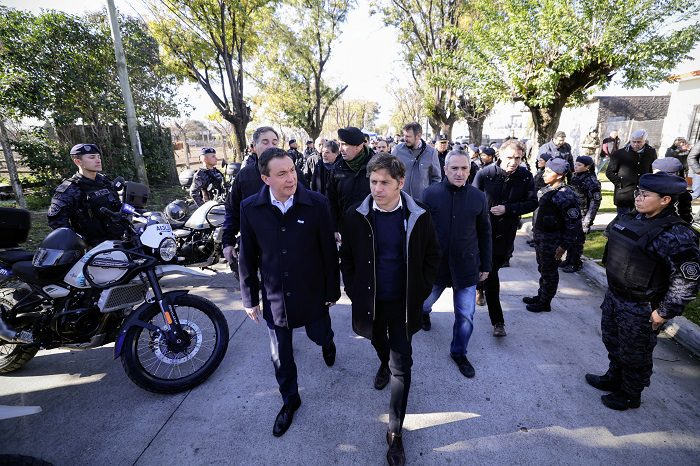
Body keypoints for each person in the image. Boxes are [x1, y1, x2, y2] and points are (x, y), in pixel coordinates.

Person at [339, 153, 440, 466]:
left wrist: (420, 291)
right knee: (377, 340)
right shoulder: (355, 215)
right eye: (373, 182)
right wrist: (354, 290)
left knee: (402, 364)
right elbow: (347, 258)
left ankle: (395, 432)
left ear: (400, 182)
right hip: (370, 302)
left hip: (403, 304)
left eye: (384, 182)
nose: (377, 188)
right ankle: (382, 362)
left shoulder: (419, 214)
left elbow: (432, 255)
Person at [238, 147, 340, 437]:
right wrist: (249, 298)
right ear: (266, 178)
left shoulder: (316, 203)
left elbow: (328, 252)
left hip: (312, 292)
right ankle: (290, 401)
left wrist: (332, 291)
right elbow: (247, 256)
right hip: (275, 297)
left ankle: (328, 341)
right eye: (282, 173)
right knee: (281, 357)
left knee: (319, 334)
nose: (291, 178)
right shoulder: (250, 208)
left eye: (292, 170)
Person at [586, 172, 700, 410]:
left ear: (665, 200)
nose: (638, 198)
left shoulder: (677, 234)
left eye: (645, 195)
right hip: (616, 296)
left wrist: (664, 312)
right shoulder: (632, 217)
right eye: (638, 192)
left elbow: (687, 279)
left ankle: (630, 394)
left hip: (642, 306)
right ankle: (614, 377)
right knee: (613, 341)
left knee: (635, 353)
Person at [421, 149, 491, 375]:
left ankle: (459, 353)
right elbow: (419, 232)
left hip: (466, 267)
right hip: (436, 267)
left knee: (466, 315)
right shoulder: (430, 194)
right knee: (422, 304)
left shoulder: (478, 197)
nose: (459, 173)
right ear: (445, 169)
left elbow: (485, 232)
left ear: (470, 170)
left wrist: (486, 265)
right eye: (454, 168)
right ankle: (424, 314)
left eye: (464, 168)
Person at [473, 140, 538, 335]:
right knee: (491, 274)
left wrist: (508, 209)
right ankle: (498, 322)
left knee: (491, 269)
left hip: (506, 234)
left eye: (518, 158)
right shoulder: (485, 174)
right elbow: (471, 199)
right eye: (510, 157)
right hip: (482, 233)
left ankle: (481, 287)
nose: (514, 162)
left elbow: (532, 202)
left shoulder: (525, 176)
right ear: (500, 155)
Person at [522, 158, 583, 312]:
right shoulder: (549, 189)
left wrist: (563, 246)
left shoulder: (566, 195)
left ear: (560, 175)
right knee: (543, 269)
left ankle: (545, 302)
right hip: (542, 239)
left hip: (553, 242)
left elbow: (574, 224)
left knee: (549, 272)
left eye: (549, 171)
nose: (544, 174)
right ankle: (541, 295)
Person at [222, 126, 281, 265]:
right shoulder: (244, 176)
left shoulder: (292, 172)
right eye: (265, 142)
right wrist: (228, 242)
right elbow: (232, 209)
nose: (271, 146)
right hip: (253, 245)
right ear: (254, 146)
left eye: (274, 142)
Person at [47, 143, 126, 246]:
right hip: (93, 247)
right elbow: (57, 223)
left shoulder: (106, 182)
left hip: (120, 241)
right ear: (78, 161)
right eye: (92, 157)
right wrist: (79, 243)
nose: (98, 160)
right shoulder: (69, 189)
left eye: (98, 157)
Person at [327, 126, 375, 235]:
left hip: (371, 229)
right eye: (339, 144)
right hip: (345, 229)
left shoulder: (376, 166)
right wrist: (334, 228)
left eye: (344, 144)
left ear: (359, 146)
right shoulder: (336, 168)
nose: (340, 149)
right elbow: (331, 201)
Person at [561, 156, 601, 273]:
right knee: (570, 238)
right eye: (575, 164)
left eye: (579, 165)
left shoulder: (592, 181)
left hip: (583, 215)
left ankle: (575, 263)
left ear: (587, 167)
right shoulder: (575, 176)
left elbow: (595, 201)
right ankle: (569, 260)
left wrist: (588, 221)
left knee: (577, 241)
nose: (576, 167)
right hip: (572, 213)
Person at [606, 129, 657, 215]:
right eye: (633, 141)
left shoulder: (651, 152)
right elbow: (609, 172)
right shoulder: (619, 153)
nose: (636, 144)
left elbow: (651, 170)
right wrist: (620, 183)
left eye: (639, 142)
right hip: (624, 194)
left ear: (644, 141)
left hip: (642, 193)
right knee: (623, 218)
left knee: (639, 220)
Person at [391, 122, 441, 199]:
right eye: (404, 135)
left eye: (408, 136)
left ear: (418, 136)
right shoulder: (397, 150)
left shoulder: (431, 152)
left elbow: (436, 178)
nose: (405, 139)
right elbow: (389, 172)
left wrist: (431, 195)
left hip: (422, 200)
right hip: (401, 199)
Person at [651, 157, 693, 223]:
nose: (653, 174)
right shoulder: (651, 188)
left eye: (657, 172)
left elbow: (684, 215)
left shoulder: (679, 193)